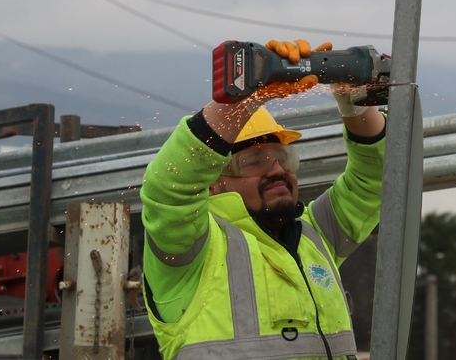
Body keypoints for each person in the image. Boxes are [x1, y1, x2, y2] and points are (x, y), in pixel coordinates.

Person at [140, 40, 387, 360]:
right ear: (213, 183)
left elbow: (379, 177)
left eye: (283, 157)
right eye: (253, 160)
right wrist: (249, 98)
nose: (276, 169)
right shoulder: (193, 249)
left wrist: (354, 96)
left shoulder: (316, 236)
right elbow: (170, 184)